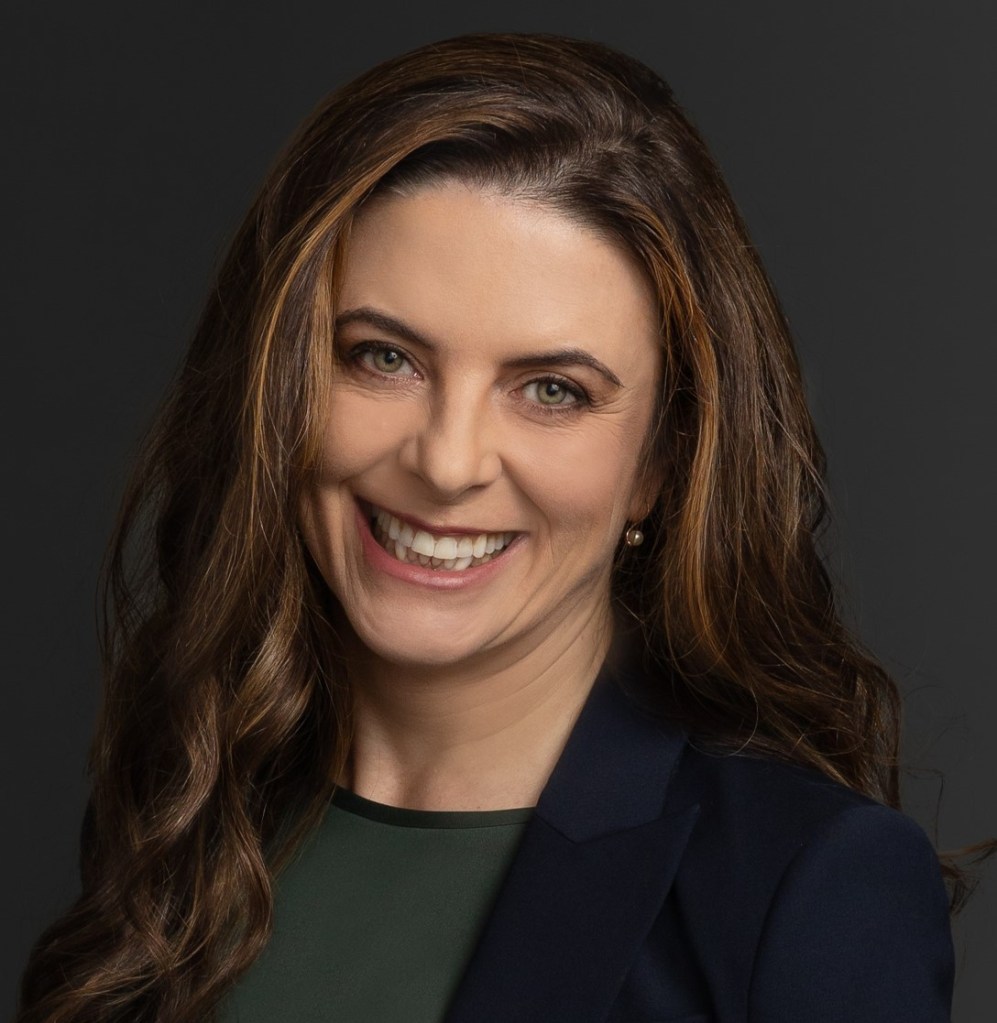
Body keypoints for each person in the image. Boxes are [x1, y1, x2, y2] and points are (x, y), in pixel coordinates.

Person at [16, 31, 984, 1023]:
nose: (447, 463)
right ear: (279, 382)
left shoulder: (801, 889)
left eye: (552, 390)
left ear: (659, 464)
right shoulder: (178, 821)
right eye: (382, 357)